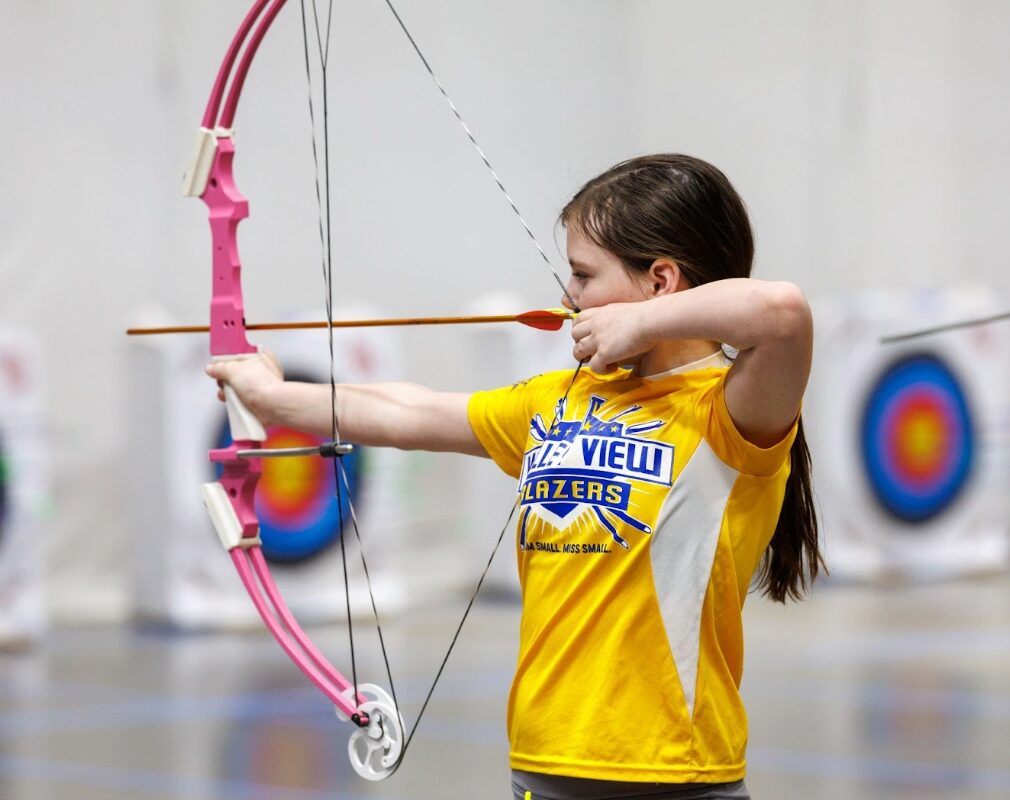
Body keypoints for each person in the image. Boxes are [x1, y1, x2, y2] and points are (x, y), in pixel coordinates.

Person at [208, 153, 821, 799]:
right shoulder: (556, 400)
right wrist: (274, 400)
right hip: (543, 763)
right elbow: (410, 412)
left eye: (584, 275)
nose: (569, 296)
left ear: (661, 281)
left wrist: (639, 323)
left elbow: (783, 312)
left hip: (673, 772)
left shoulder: (729, 411)